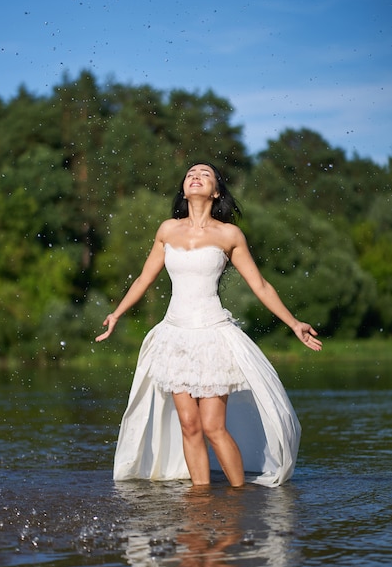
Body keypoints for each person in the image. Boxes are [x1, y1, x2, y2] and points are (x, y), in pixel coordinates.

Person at [96, 162, 322, 488]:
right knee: (189, 425)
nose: (195, 177)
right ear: (184, 189)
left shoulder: (229, 235)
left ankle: (238, 497)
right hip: (175, 337)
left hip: (213, 335)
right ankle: (200, 501)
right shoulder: (167, 230)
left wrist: (293, 323)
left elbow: (259, 285)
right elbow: (145, 277)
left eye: (204, 174)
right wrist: (117, 314)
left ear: (216, 191)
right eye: (190, 174)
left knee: (213, 426)